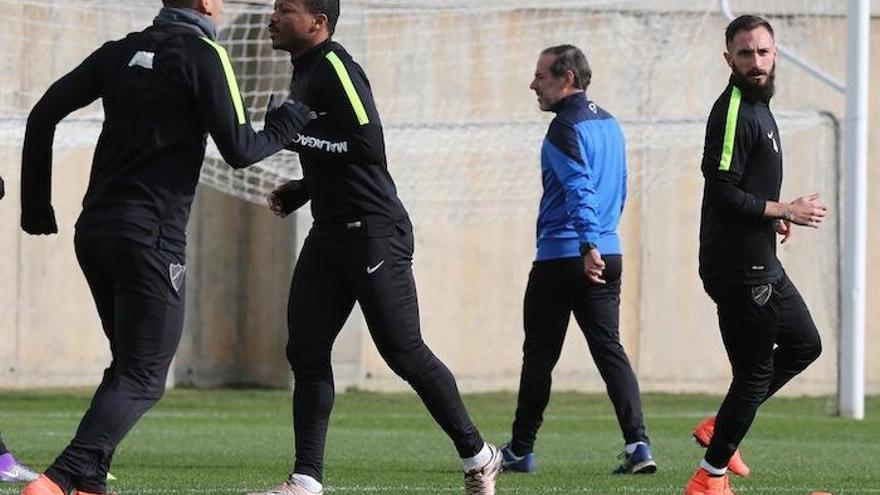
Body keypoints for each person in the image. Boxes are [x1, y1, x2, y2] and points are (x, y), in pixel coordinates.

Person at [18, 0, 310, 493]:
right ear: (203, 4)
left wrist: (36, 207)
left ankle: (89, 483)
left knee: (127, 366)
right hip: (151, 240)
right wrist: (286, 123)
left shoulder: (120, 50)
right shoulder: (203, 55)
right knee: (146, 376)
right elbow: (240, 150)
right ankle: (58, 479)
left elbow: (43, 114)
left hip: (95, 233)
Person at [246, 1, 501, 494]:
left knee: (403, 352)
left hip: (374, 232)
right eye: (274, 8)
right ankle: (306, 480)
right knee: (305, 349)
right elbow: (336, 151)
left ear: (318, 22)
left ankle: (479, 454)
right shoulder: (302, 72)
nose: (273, 17)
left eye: (286, 9)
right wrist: (303, 189)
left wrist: (299, 136)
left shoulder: (336, 64)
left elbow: (367, 144)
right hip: (330, 232)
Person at [684, 15, 826, 495]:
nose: (756, 61)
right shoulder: (733, 111)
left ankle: (719, 429)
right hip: (740, 268)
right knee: (754, 374)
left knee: (805, 345)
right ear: (730, 60)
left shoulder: (762, 108)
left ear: (775, 53)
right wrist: (784, 207)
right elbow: (721, 190)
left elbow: (747, 188)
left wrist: (771, 215)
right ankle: (711, 477)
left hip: (762, 261)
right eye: (745, 53)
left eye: (762, 52)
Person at [498, 45, 656, 476]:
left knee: (540, 355)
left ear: (566, 78)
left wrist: (587, 244)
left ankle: (521, 450)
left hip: (566, 257)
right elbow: (619, 188)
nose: (534, 84)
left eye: (541, 76)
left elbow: (579, 189)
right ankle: (639, 444)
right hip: (609, 250)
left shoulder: (563, 129)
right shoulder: (610, 123)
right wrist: (602, 241)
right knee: (610, 351)